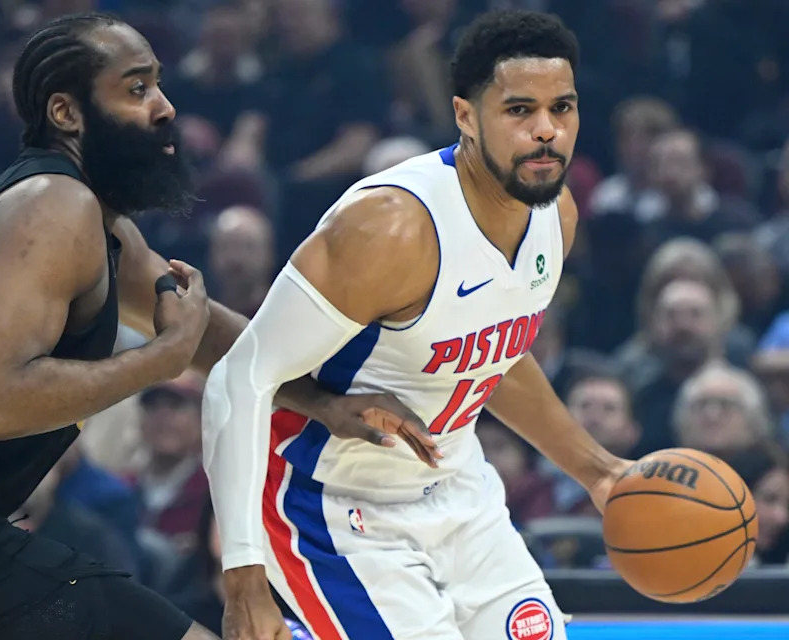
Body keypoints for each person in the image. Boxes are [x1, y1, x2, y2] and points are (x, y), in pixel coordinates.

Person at [0, 12, 429, 640]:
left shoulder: (94, 221)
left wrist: (323, 401)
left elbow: (204, 334)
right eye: (137, 88)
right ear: (66, 113)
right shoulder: (53, 208)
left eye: (159, 84)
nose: (166, 107)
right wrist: (158, 361)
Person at [203, 10, 633, 640]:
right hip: (332, 510)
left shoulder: (556, 211)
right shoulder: (389, 227)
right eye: (519, 110)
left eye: (561, 108)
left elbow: (494, 357)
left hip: (461, 491)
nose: (547, 130)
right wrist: (244, 580)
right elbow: (238, 380)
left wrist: (599, 471)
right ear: (465, 116)